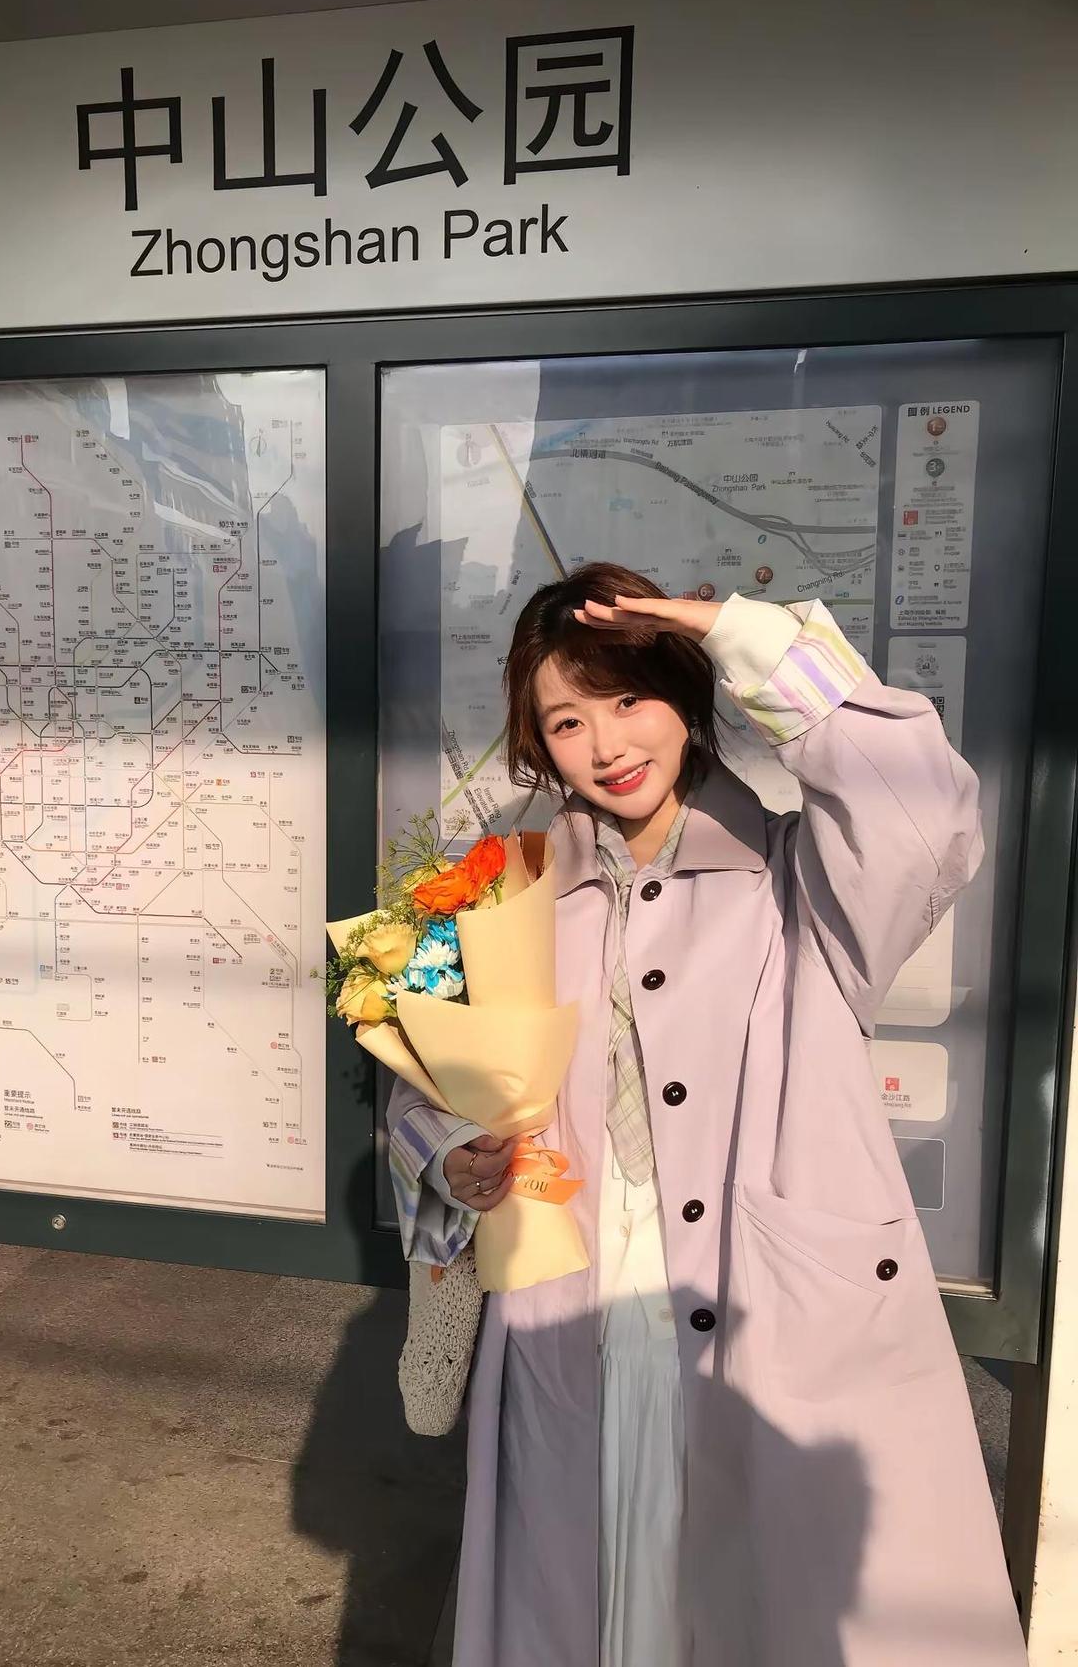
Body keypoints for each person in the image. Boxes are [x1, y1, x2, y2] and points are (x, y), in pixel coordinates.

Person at [387, 562, 1026, 1667]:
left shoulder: (802, 879)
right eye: (568, 720)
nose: (606, 744)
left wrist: (744, 635)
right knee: (592, 1599)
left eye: (629, 697)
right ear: (538, 744)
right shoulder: (500, 893)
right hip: (571, 1307)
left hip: (768, 1300)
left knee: (768, 1604)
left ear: (688, 695)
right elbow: (421, 1078)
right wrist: (449, 1156)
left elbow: (926, 811)